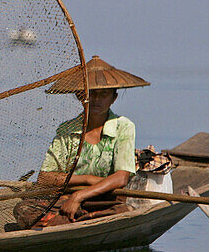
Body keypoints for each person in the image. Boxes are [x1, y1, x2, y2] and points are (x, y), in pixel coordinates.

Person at [14, 56, 149, 228]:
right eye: (91, 94)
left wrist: (79, 196)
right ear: (80, 96)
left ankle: (70, 220)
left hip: (105, 200)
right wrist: (87, 180)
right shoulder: (67, 129)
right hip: (64, 198)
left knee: (122, 213)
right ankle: (76, 219)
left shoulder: (123, 126)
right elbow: (46, 177)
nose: (97, 100)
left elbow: (121, 178)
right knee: (24, 209)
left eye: (104, 95)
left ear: (113, 98)